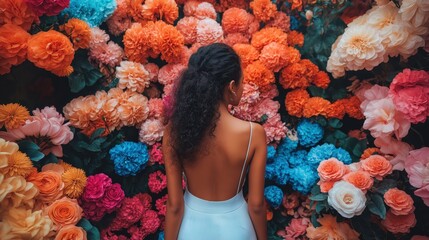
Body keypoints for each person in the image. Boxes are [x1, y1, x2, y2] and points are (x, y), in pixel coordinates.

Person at [163, 43, 267, 240]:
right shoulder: (254, 134)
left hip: (191, 229)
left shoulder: (174, 132)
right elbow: (256, 204)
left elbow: (175, 205)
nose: (243, 87)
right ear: (231, 86)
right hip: (238, 229)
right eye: (241, 82)